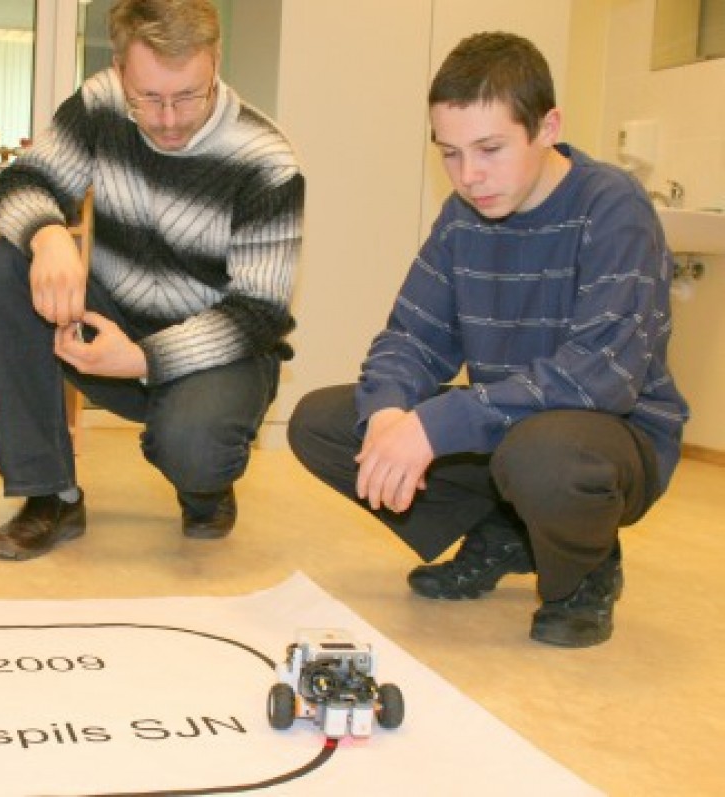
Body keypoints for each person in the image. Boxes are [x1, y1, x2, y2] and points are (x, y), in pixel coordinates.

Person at [287, 31, 688, 648]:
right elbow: (410, 338)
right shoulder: (462, 217)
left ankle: (586, 566)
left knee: (543, 456)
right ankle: (507, 529)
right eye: (450, 154)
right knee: (325, 422)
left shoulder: (612, 207)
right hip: (509, 428)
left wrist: (438, 424)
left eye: (490, 149)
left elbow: (601, 375)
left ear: (548, 127)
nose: (469, 176)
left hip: (605, 438)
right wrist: (389, 414)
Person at [0, 0, 304, 561]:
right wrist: (48, 234)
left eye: (188, 96)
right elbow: (22, 182)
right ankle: (51, 496)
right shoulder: (100, 103)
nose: (168, 119)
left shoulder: (266, 160)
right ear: (120, 67)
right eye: (147, 97)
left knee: (196, 447)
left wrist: (144, 359)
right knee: (4, 265)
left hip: (217, 355)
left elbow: (260, 312)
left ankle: (203, 487)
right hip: (112, 326)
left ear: (215, 61)